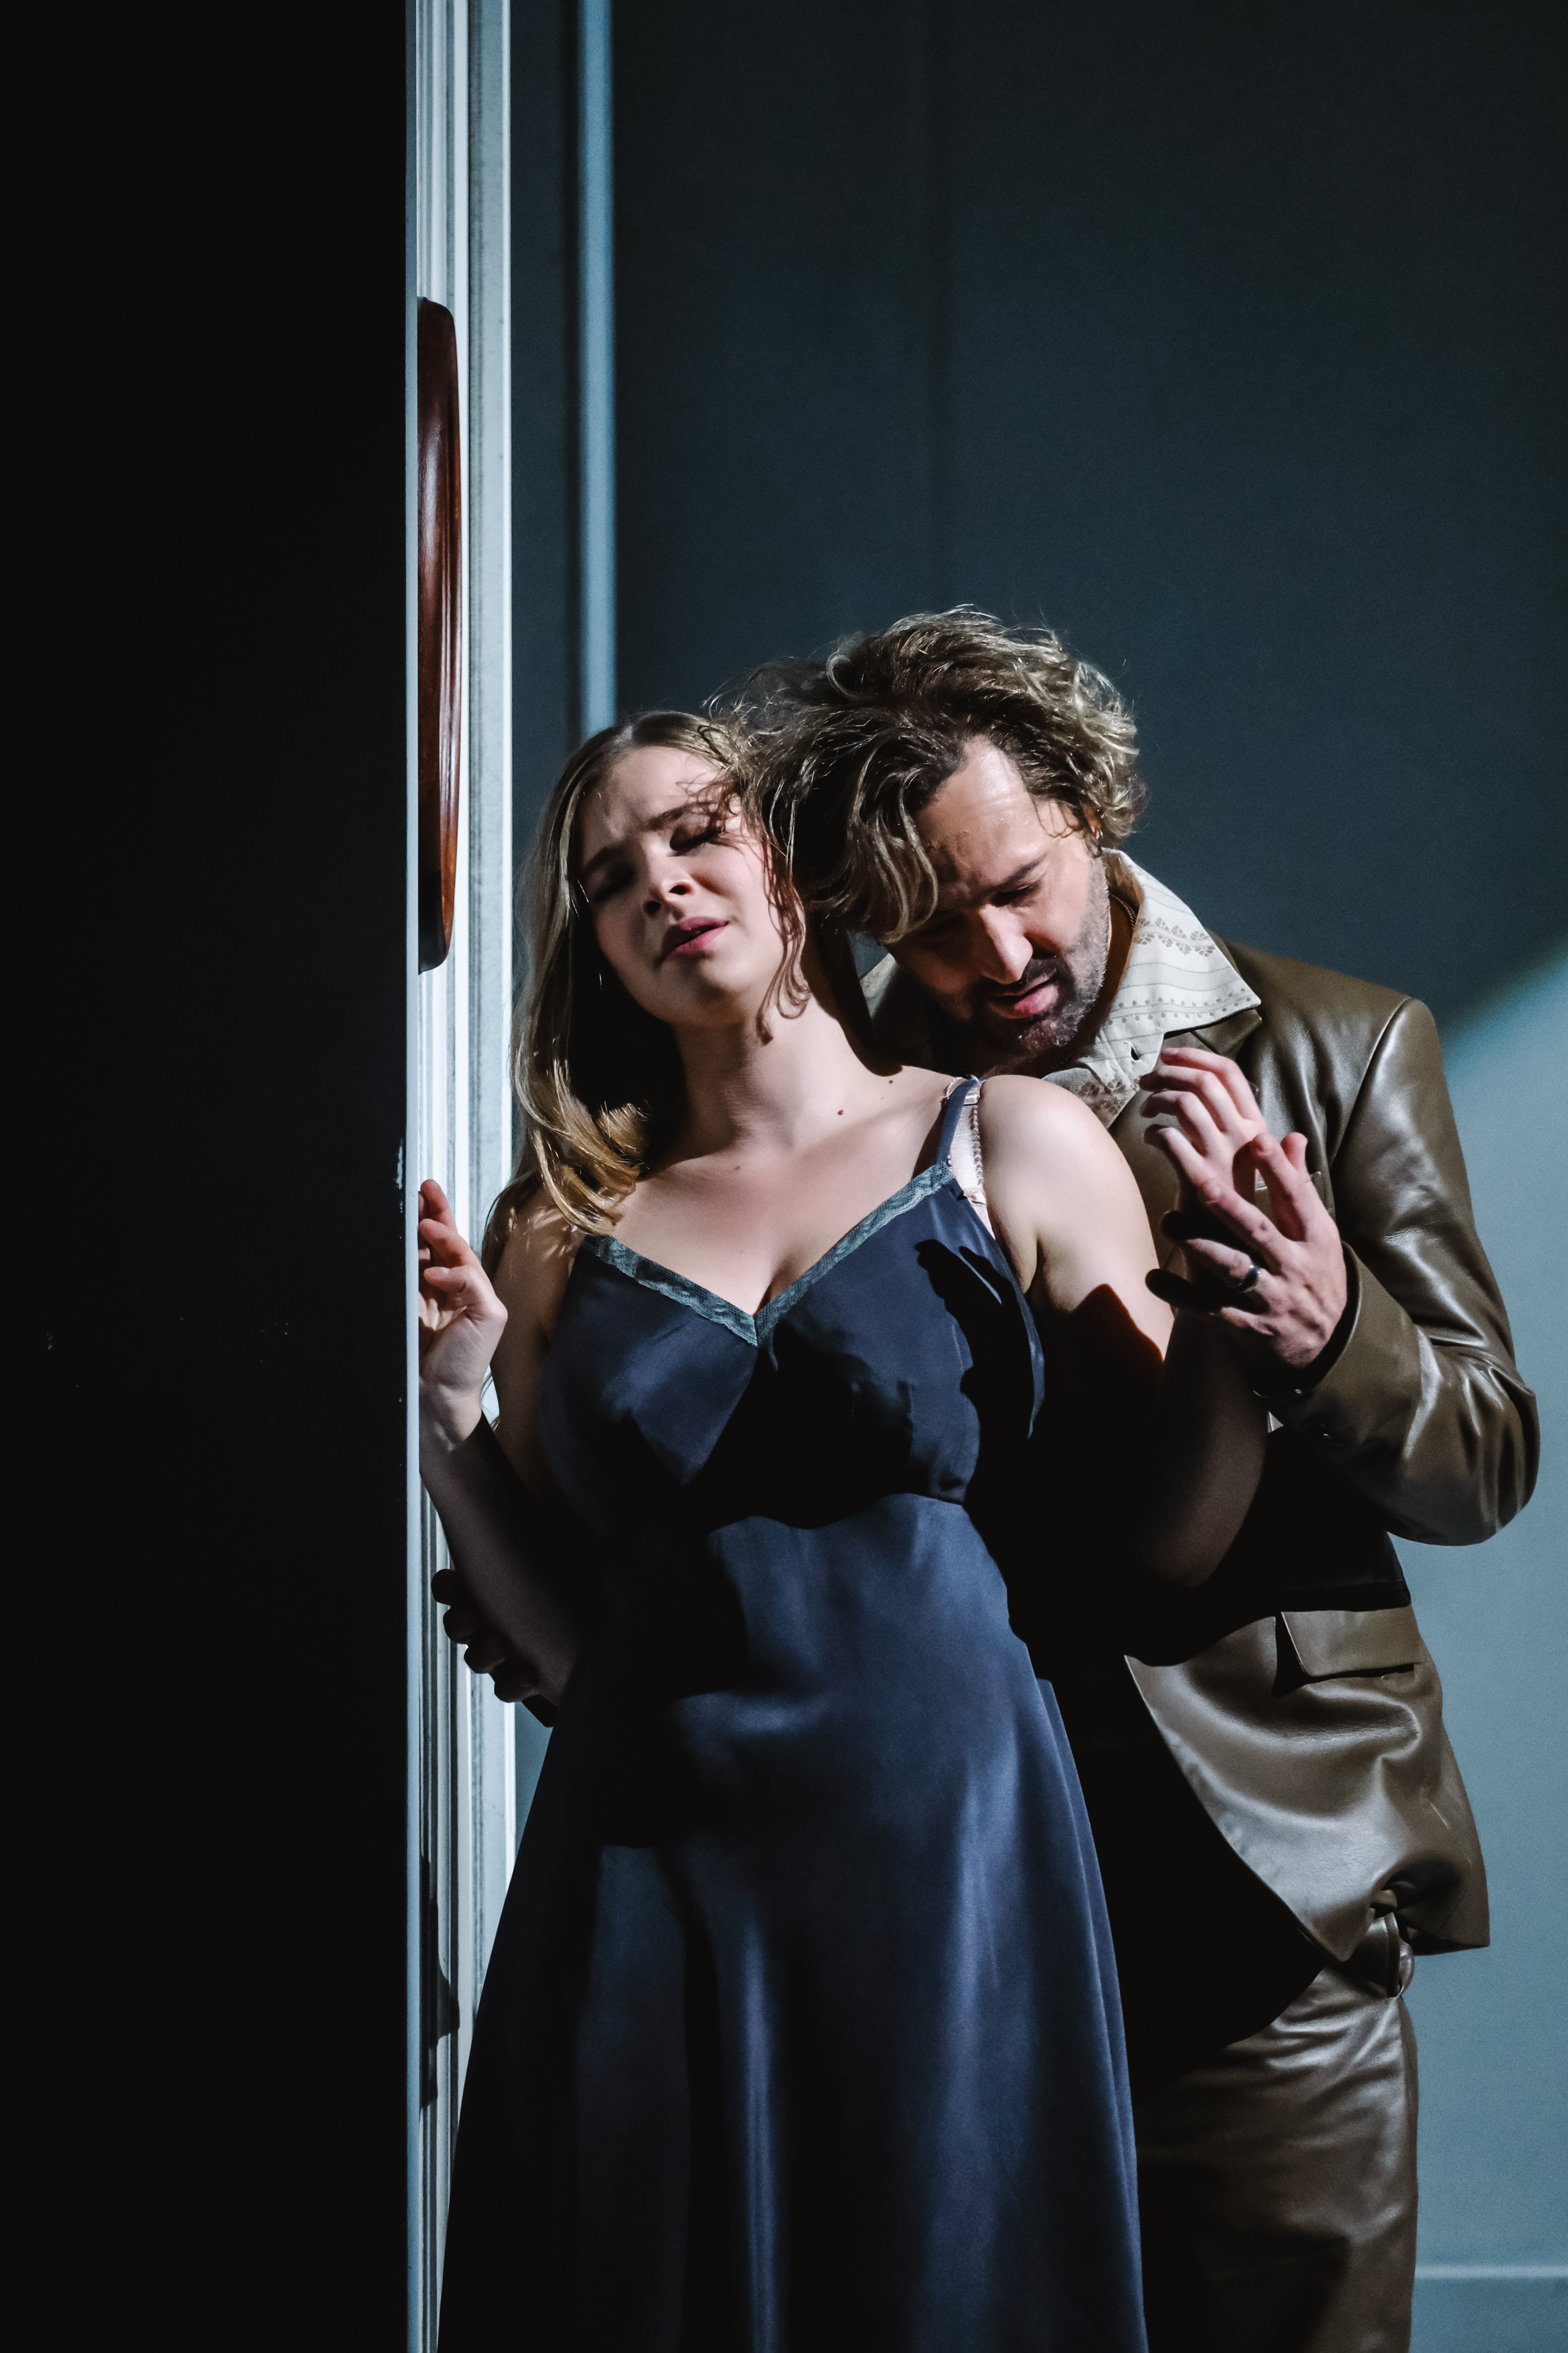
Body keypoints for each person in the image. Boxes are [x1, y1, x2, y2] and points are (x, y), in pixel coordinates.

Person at [719, 610, 1541, 2353]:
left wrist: (1332, 1335)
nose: (993, 950)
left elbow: (1482, 1461)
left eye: (1014, 879)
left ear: (1091, 802)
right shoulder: (846, 1094)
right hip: (931, 1875)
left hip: (1264, 1880)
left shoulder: (1338, 1047)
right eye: (928, 926)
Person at [417, 707, 1272, 2351]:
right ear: (590, 944)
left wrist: (1238, 1322)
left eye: (696, 833)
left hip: (946, 1840)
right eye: (609, 876)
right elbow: (564, 1646)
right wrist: (452, 1430)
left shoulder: (1007, 1137)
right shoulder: (557, 1232)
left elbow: (1176, 1539)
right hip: (642, 1855)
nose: (661, 884)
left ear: (787, 875)